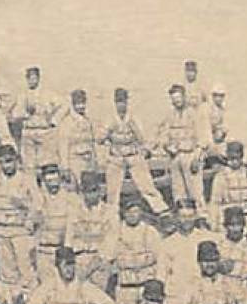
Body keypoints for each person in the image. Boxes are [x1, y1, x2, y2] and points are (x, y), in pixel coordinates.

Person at [101, 88, 169, 216]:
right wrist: (108, 130)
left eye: (123, 101)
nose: (121, 105)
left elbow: (142, 139)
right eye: (118, 102)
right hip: (116, 158)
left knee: (146, 185)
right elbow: (100, 138)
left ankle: (161, 210)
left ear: (127, 102)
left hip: (133, 156)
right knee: (112, 191)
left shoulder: (133, 117)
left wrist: (136, 131)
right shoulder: (109, 118)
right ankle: (111, 215)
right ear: (115, 103)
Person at [0, 143, 41, 291]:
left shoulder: (27, 180)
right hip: (2, 231)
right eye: (3, 162)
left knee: (26, 271)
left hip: (20, 231)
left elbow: (38, 204)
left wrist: (24, 205)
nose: (7, 166)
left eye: (9, 161)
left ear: (16, 161)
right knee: (7, 274)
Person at [65, 170, 118, 292]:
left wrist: (94, 265)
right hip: (78, 260)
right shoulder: (75, 210)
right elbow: (69, 238)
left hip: (99, 261)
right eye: (87, 192)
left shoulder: (110, 211)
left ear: (100, 191)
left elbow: (111, 243)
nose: (90, 195)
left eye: (93, 191)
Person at [154, 83, 205, 206]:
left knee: (195, 193)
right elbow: (163, 136)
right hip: (175, 158)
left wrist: (197, 158)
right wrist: (167, 146)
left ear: (184, 97)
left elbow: (203, 139)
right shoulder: (170, 115)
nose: (177, 102)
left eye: (178, 98)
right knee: (178, 193)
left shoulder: (195, 114)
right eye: (174, 100)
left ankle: (201, 220)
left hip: (191, 155)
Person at [34, 163, 81, 279]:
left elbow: (72, 226)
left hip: (61, 251)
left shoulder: (70, 198)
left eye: (55, 181)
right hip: (43, 251)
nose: (53, 186)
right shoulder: (39, 199)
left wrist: (66, 251)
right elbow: (33, 225)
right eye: (49, 182)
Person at [17, 66, 63, 170]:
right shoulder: (22, 95)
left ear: (38, 78)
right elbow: (15, 113)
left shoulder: (48, 94)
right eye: (30, 78)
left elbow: (64, 105)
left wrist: (54, 120)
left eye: (34, 78)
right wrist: (25, 113)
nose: (32, 81)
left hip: (44, 132)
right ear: (26, 79)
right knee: (29, 165)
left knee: (47, 163)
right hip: (28, 132)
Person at [211, 140, 247, 223]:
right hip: (229, 219)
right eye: (231, 158)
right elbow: (215, 203)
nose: (234, 161)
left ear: (242, 157)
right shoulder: (221, 177)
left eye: (237, 158)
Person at [57, 88, 100, 187]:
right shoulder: (67, 122)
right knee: (76, 188)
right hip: (75, 161)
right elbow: (63, 145)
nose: (81, 106)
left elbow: (92, 144)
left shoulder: (87, 121)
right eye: (78, 103)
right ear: (73, 104)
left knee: (89, 188)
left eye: (83, 102)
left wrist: (95, 163)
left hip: (88, 161)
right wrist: (65, 167)